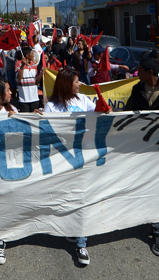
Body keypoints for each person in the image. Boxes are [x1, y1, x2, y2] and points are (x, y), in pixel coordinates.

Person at [43, 68, 109, 266]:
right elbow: (46, 133)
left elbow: (97, 116)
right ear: (66, 84)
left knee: (82, 198)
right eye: (77, 81)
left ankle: (81, 243)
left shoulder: (83, 100)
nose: (80, 84)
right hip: (63, 162)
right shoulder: (51, 106)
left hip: (85, 158)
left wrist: (105, 111)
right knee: (68, 197)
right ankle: (72, 230)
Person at [124, 57, 159, 258]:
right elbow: (126, 114)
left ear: (150, 73)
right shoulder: (137, 89)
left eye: (140, 70)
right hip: (140, 148)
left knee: (157, 188)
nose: (137, 73)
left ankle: (158, 232)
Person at [16, 47, 43, 113]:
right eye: (32, 53)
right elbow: (19, 78)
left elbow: (36, 81)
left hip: (34, 98)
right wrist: (22, 66)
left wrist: (41, 74)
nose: (33, 55)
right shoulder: (18, 64)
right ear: (27, 55)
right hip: (24, 99)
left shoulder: (34, 65)